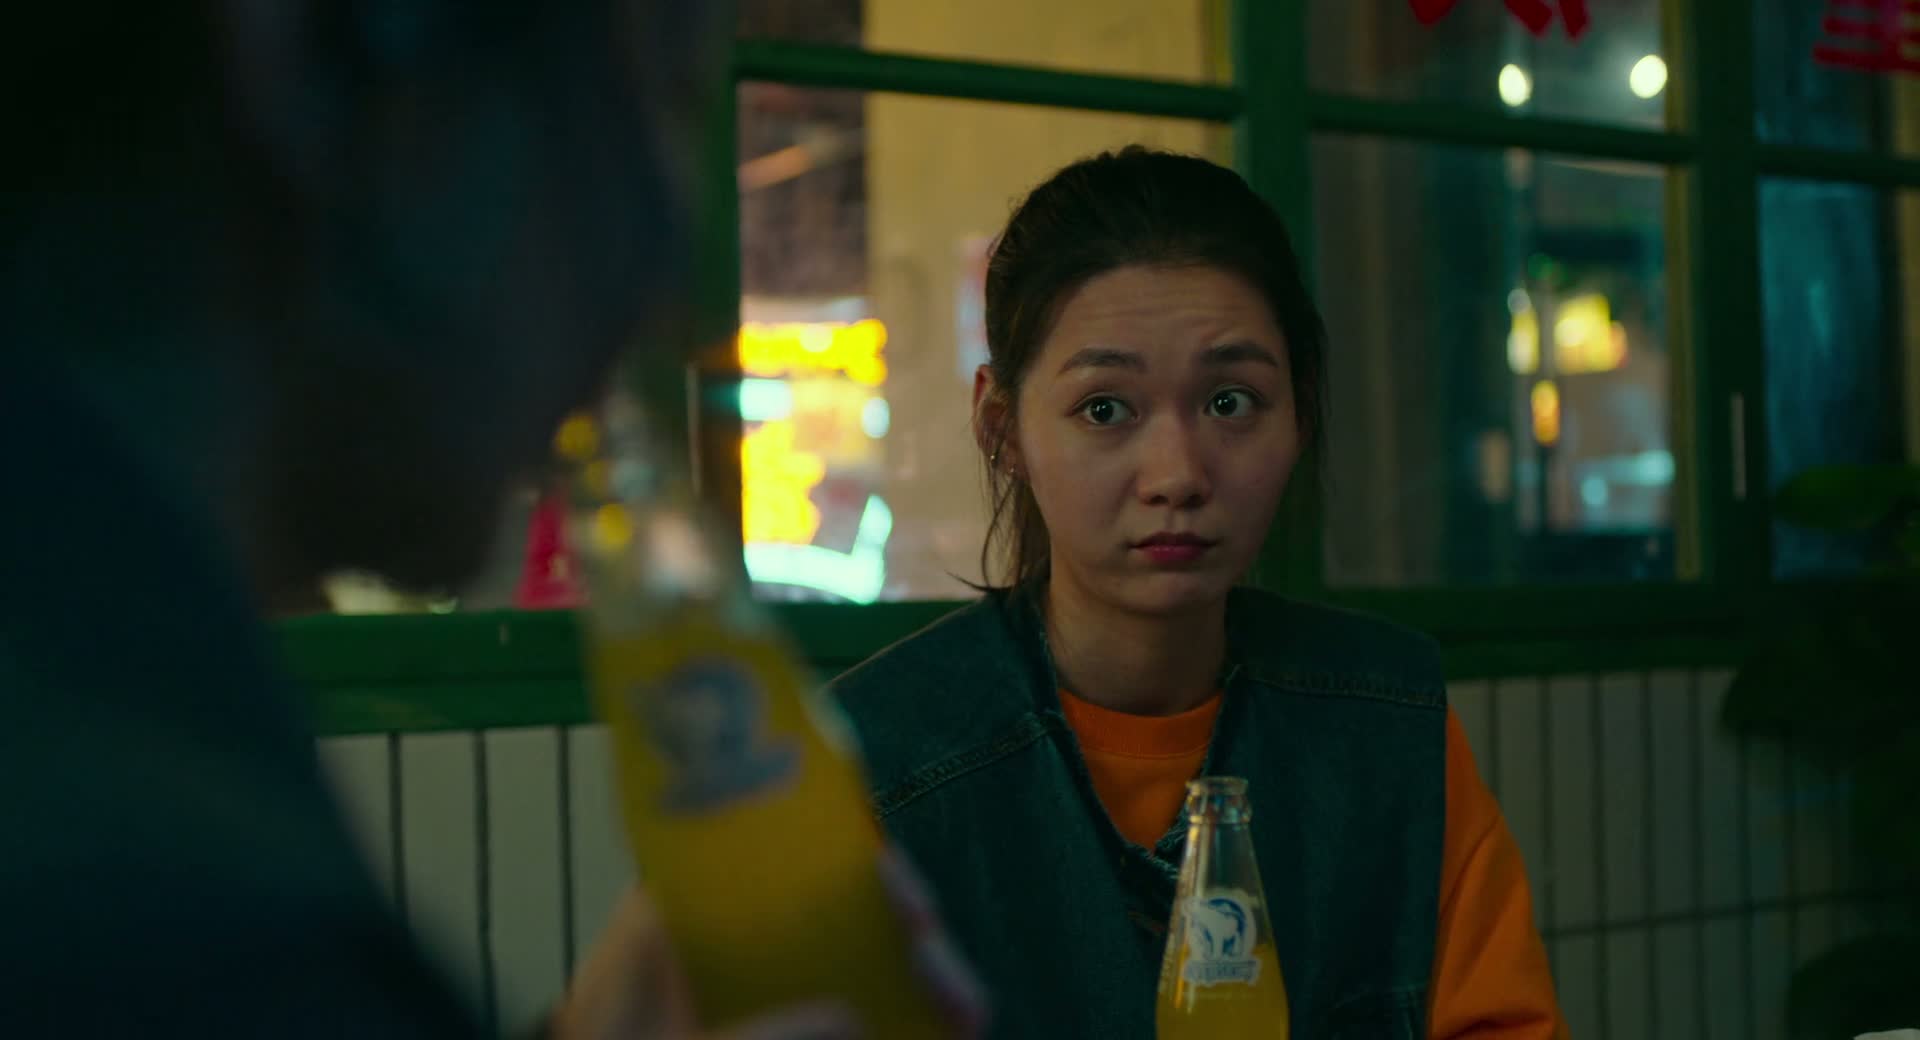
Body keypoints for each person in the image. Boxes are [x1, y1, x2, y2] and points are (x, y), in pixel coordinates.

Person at [0, 5, 977, 1038]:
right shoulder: (156, 910)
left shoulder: (105, 710)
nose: (661, 271)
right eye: (659, 101)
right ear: (336, 52)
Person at [829, 147, 1566, 1038]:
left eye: (1230, 402)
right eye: (1105, 408)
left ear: (1300, 412)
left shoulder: (1388, 724)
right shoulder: (876, 765)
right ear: (1002, 426)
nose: (1177, 475)